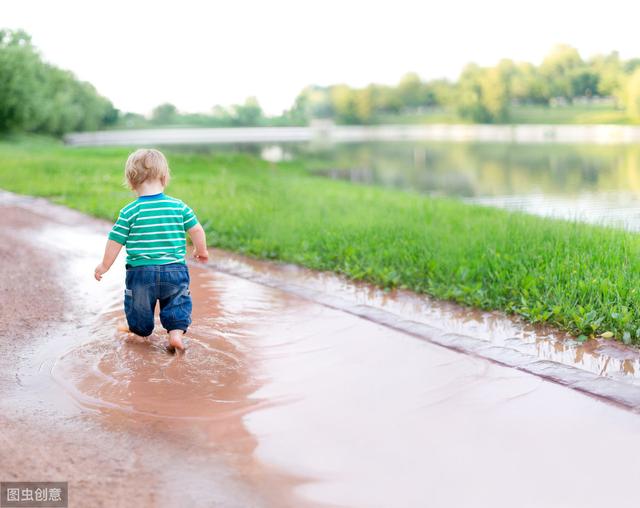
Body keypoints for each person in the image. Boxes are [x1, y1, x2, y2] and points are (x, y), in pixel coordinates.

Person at [94, 148, 209, 352]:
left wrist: (104, 265)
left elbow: (115, 240)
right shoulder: (178, 206)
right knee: (177, 302)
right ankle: (175, 335)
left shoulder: (129, 211)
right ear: (164, 178)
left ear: (131, 181)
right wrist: (201, 251)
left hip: (140, 273)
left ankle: (140, 333)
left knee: (138, 311)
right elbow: (196, 229)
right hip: (174, 270)